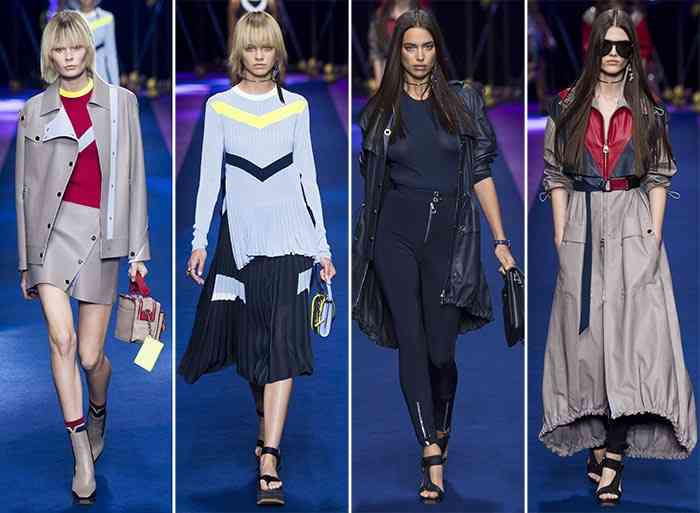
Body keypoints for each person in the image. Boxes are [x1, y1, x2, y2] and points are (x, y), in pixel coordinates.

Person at [352, 8, 516, 503]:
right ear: (397, 52)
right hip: (394, 237)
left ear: (437, 50)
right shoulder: (379, 112)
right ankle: (430, 453)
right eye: (410, 48)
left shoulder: (463, 101)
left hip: (449, 236)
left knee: (442, 352)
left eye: (427, 47)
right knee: (412, 343)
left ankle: (441, 424)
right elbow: (372, 184)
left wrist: (501, 242)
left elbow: (481, 172)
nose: (419, 56)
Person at [539, 8, 696, 506]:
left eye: (621, 46)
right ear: (594, 50)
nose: (612, 54)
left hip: (631, 222)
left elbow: (659, 174)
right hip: (584, 223)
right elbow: (555, 174)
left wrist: (653, 237)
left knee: (631, 344)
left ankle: (614, 455)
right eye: (605, 46)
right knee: (590, 345)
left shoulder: (648, 111)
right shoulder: (567, 106)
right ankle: (598, 439)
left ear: (632, 52)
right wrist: (561, 235)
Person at [178, 11, 336, 506]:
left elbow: (308, 177)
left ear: (278, 51)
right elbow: (210, 177)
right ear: (239, 53)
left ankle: (270, 454)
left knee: (283, 342)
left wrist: (323, 247)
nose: (260, 55)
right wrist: (199, 240)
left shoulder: (297, 107)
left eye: (268, 47)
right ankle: (264, 416)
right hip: (240, 239)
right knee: (253, 350)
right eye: (252, 47)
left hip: (291, 237)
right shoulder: (220, 107)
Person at [15, 11, 150, 504]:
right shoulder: (34, 109)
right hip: (50, 236)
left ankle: (97, 411)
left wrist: (138, 251)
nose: (69, 57)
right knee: (62, 340)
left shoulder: (120, 103)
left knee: (91, 357)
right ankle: (80, 455)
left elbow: (134, 176)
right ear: (49, 55)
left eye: (76, 48)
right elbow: (25, 189)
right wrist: (26, 262)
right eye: (60, 49)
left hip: (101, 234)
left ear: (88, 50)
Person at [65, 0, 120, 85]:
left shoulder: (107, 17)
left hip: (101, 71)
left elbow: (111, 53)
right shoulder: (71, 19)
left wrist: (116, 85)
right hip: (78, 73)